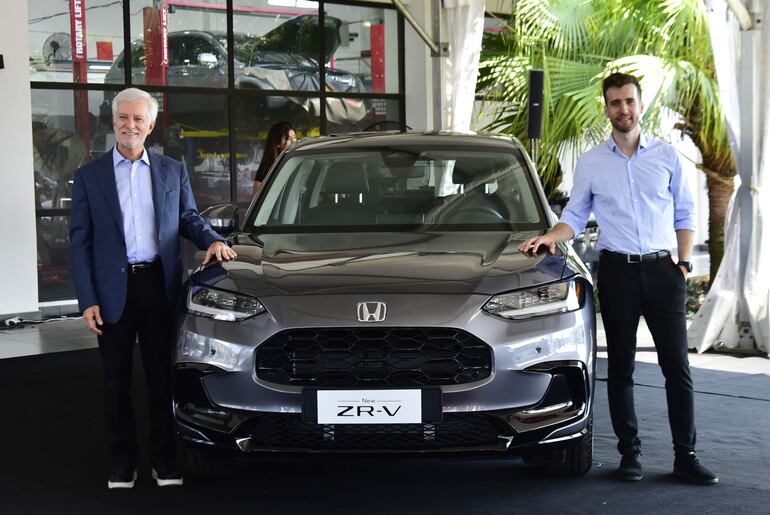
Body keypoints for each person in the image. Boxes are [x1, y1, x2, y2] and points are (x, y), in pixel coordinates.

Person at [518, 73, 718, 485]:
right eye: (614, 102)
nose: (622, 109)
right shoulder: (592, 163)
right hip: (617, 273)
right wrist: (548, 237)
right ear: (606, 108)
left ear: (640, 105)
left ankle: (686, 456)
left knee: (676, 368)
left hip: (664, 273)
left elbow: (685, 213)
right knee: (621, 368)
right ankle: (630, 455)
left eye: (629, 101)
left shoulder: (666, 156)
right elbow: (573, 217)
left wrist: (682, 265)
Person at [70, 87, 237, 490]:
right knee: (116, 381)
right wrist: (87, 300)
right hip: (112, 292)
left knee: (162, 379)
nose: (130, 125)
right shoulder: (89, 176)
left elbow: (188, 217)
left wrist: (212, 239)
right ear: (113, 122)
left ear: (151, 125)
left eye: (138, 119)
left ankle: (164, 461)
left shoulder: (170, 170)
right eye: (123, 118)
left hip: (159, 288)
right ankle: (123, 463)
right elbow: (80, 241)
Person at [251, 121, 296, 195]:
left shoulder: (300, 160)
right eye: (288, 138)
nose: (293, 141)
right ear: (278, 143)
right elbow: (255, 194)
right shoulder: (267, 166)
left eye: (294, 137)